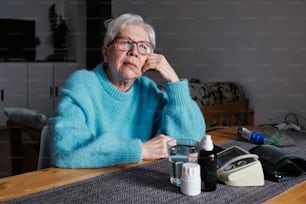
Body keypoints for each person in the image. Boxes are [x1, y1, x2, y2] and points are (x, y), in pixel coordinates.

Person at [47, 13, 205, 168]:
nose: (134, 52)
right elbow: (65, 152)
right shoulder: (82, 84)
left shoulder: (147, 90)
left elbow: (188, 141)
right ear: (106, 53)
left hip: (135, 181)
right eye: (125, 43)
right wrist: (141, 150)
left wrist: (174, 81)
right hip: (86, 182)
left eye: (143, 47)